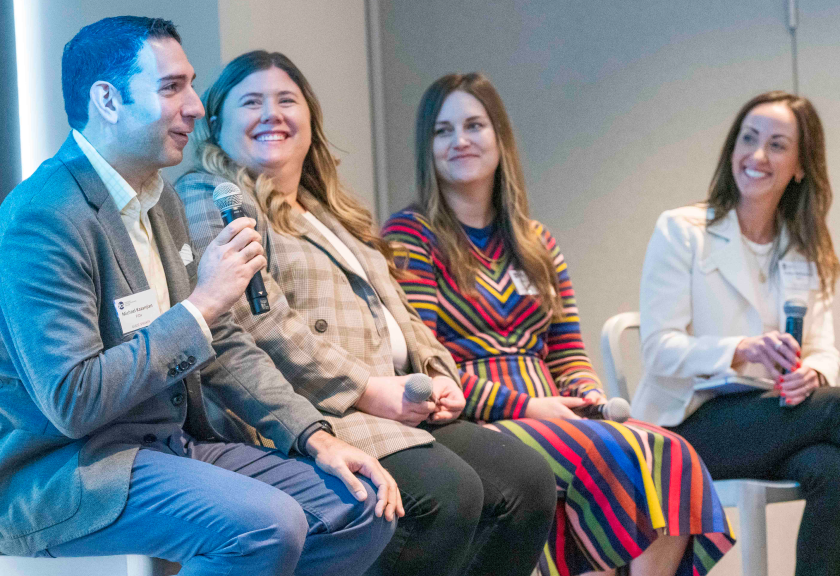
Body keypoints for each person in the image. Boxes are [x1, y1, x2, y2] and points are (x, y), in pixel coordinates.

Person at [0, 17, 397, 576]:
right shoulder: (43, 219)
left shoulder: (159, 200)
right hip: (59, 472)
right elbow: (72, 401)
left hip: (165, 445)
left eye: (190, 85)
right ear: (107, 100)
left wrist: (313, 435)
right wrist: (201, 306)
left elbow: (221, 345)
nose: (195, 106)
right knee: (267, 524)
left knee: (361, 506)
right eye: (171, 87)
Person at [176, 51, 556, 576]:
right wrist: (368, 389)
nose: (271, 114)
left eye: (286, 100)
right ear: (217, 123)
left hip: (392, 401)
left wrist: (437, 375)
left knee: (528, 484)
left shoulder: (329, 210)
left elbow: (401, 310)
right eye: (251, 102)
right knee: (445, 495)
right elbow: (260, 324)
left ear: (311, 120)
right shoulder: (214, 195)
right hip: (318, 407)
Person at [381, 72, 734, 576]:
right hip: (471, 419)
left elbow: (567, 350)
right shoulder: (410, 236)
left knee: (673, 455)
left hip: (551, 408)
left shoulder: (537, 241)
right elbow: (428, 362)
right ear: (428, 148)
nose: (460, 140)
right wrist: (528, 407)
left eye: (474, 125)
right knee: (609, 456)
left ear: (500, 137)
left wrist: (587, 394)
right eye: (443, 130)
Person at [634, 90, 840, 575]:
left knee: (836, 469)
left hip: (766, 418)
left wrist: (814, 373)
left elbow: (822, 348)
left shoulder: (804, 247)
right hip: (683, 428)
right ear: (732, 148)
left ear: (801, 166)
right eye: (748, 139)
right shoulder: (682, 230)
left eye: (777, 145)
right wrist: (742, 349)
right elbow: (659, 350)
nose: (757, 156)